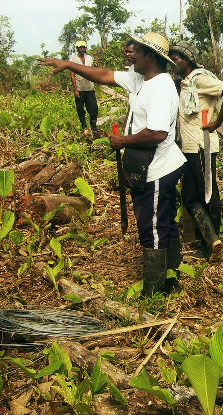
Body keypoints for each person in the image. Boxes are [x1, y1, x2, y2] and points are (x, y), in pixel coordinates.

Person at [38, 32, 186, 296]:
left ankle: (154, 291)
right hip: (153, 165)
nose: (131, 55)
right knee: (163, 220)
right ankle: (171, 279)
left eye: (137, 51)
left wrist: (123, 140)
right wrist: (69, 64)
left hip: (158, 167)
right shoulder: (141, 78)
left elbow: (157, 133)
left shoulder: (161, 88)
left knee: (152, 226)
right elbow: (104, 75)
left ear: (150, 55)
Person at [170, 40, 223, 262]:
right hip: (189, 147)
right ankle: (210, 240)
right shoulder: (185, 82)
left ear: (187, 59)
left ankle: (212, 245)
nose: (173, 62)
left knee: (208, 193)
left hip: (202, 145)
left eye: (176, 58)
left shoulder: (200, 78)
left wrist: (218, 122)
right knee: (189, 196)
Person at [70, 41, 99, 136]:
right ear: (77, 48)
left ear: (86, 48)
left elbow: (92, 71)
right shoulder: (74, 60)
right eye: (80, 47)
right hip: (80, 89)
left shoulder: (89, 58)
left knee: (93, 108)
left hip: (89, 88)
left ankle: (94, 127)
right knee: (80, 109)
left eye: (83, 47)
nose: (82, 49)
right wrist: (75, 90)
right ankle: (84, 127)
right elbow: (72, 75)